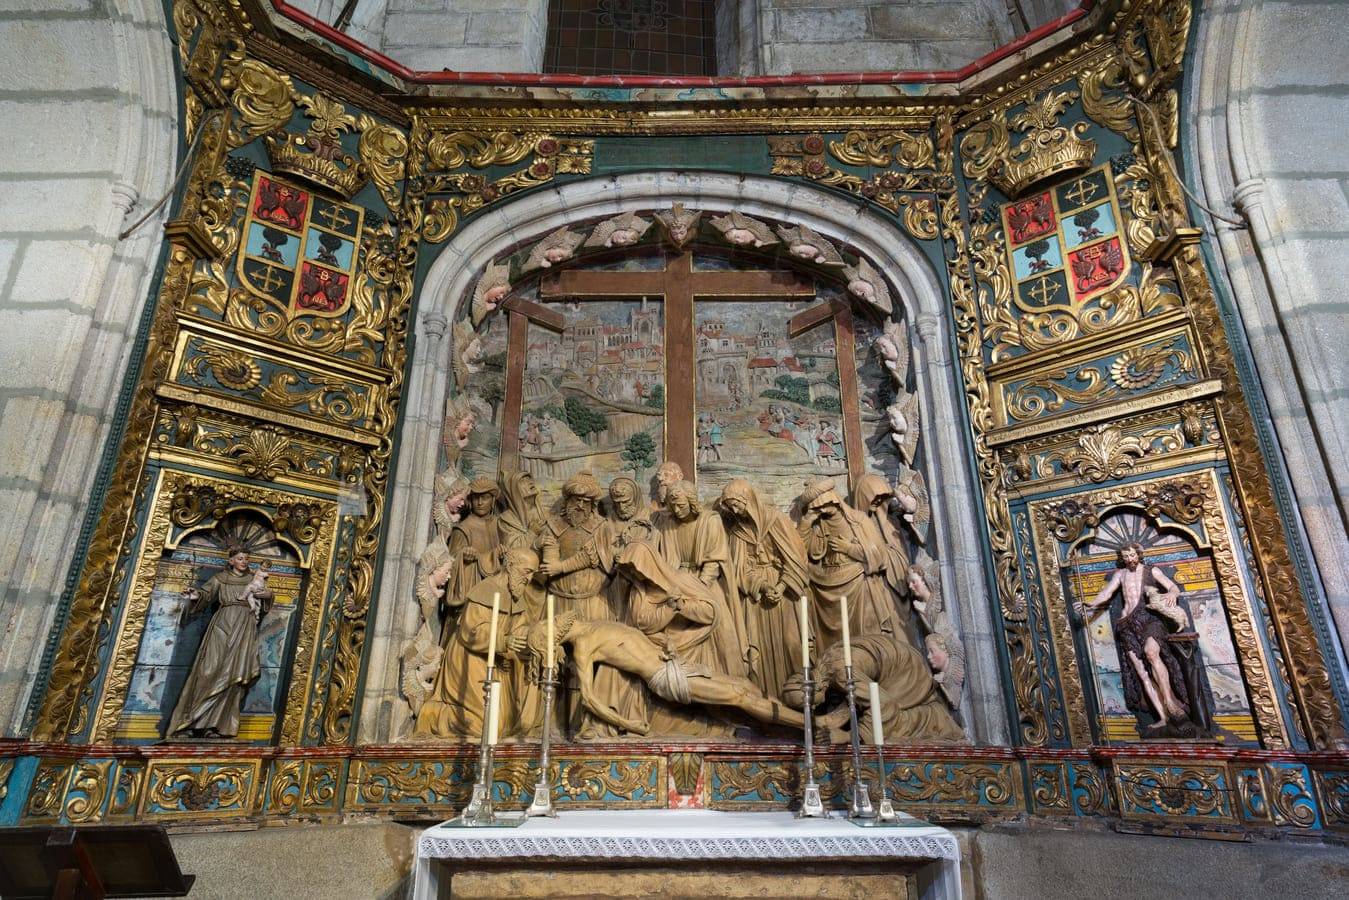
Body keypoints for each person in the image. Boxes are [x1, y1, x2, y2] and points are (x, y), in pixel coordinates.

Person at [537, 471, 637, 738]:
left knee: (591, 663)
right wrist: (543, 548)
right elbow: (544, 564)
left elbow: (593, 557)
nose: (580, 506)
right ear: (567, 501)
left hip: (594, 604)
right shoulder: (553, 527)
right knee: (556, 663)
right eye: (575, 500)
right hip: (559, 603)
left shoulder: (601, 528)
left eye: (585, 501)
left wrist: (560, 566)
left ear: (593, 503)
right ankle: (554, 724)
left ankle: (590, 724)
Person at [415, 549, 540, 739]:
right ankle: (432, 716)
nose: (530, 579)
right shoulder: (486, 590)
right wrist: (503, 640)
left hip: (493, 659)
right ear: (511, 566)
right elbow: (471, 630)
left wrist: (535, 640)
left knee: (507, 724)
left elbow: (521, 627)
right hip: (469, 657)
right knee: (487, 728)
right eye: (527, 571)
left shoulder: (516, 594)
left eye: (533, 573)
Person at [1074, 542, 1192, 731]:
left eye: (1132, 555)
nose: (1130, 559)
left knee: (1152, 653)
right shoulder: (1120, 574)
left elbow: (1173, 587)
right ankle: (1163, 717)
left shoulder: (1151, 571)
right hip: (1127, 625)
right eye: (1126, 556)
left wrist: (1172, 593)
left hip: (1148, 619)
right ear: (1122, 558)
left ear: (1138, 554)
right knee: (1142, 672)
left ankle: (1170, 701)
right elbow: (1107, 592)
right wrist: (1091, 604)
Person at [716, 478, 811, 701]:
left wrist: (780, 585)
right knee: (760, 648)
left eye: (737, 504)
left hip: (786, 593)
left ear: (749, 500)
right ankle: (767, 699)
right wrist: (762, 585)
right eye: (730, 507)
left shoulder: (776, 520)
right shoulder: (738, 533)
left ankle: (799, 699)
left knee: (791, 643)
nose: (734, 511)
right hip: (756, 597)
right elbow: (739, 569)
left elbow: (796, 558)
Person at [166, 546, 274, 740]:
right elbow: (206, 595)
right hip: (223, 623)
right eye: (240, 558)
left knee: (234, 674)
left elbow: (266, 595)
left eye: (246, 559)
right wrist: (196, 595)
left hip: (245, 625)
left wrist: (266, 596)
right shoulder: (220, 579)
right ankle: (190, 723)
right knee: (208, 670)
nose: (244, 562)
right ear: (231, 560)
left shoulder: (253, 579)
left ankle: (218, 726)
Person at [784, 632, 964, 744]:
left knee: (896, 725)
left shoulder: (841, 675)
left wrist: (849, 737)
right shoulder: (824, 662)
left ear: (816, 689)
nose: (813, 707)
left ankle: (934, 718)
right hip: (900, 663)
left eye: (810, 703)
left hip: (908, 675)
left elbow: (884, 705)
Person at [797, 478, 902, 654]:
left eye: (824, 504)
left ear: (833, 498)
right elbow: (799, 550)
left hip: (858, 585)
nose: (822, 509)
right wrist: (807, 521)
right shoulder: (819, 527)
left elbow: (879, 555)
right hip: (827, 588)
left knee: (864, 638)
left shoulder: (858, 520)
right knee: (834, 648)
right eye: (818, 507)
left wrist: (849, 549)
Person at [443, 477, 501, 616]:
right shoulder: (463, 528)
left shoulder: (499, 524)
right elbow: (449, 563)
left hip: (495, 591)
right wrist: (463, 555)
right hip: (472, 591)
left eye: (485, 498)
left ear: (492, 500)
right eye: (476, 498)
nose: (480, 503)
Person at [497, 469, 544, 551]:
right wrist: (532, 532)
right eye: (523, 481)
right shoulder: (506, 519)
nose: (530, 482)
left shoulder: (544, 512)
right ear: (513, 490)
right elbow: (511, 548)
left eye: (529, 479)